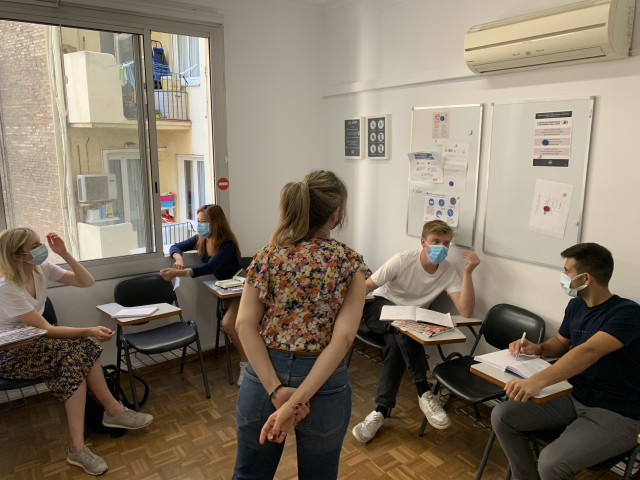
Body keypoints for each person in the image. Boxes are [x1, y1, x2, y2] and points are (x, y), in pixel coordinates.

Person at [232, 170, 368, 480]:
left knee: (249, 475)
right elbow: (344, 338)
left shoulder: (266, 256)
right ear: (335, 213)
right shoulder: (349, 262)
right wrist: (297, 400)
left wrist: (278, 392)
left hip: (264, 375)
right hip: (323, 381)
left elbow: (244, 326)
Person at [0, 228, 153, 476]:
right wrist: (89, 330)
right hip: (11, 354)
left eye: (41, 243)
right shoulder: (6, 286)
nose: (42, 248)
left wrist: (65, 253)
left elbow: (86, 281)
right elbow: (47, 329)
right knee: (83, 348)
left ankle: (80, 446)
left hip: (39, 346)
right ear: (17, 256)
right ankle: (110, 414)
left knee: (76, 358)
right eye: (35, 245)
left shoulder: (42, 269)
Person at [491, 243, 640, 480]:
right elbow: (561, 343)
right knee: (502, 415)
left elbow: (588, 352)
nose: (563, 277)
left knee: (551, 463)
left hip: (616, 411)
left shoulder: (628, 313)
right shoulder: (576, 305)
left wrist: (535, 382)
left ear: (586, 278)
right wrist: (537, 348)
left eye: (567, 271)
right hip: (575, 395)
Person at [352, 219, 480, 443]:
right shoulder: (402, 260)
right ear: (423, 242)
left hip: (407, 323)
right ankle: (423, 391)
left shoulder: (448, 272)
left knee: (396, 339)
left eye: (446, 243)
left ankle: (380, 411)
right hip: (380, 307)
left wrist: (469, 272)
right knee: (403, 324)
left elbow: (466, 310)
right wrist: (342, 312)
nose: (441, 247)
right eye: (435, 241)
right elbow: (368, 286)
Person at [160, 204, 247, 384]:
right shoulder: (201, 239)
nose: (200, 225)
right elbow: (176, 246)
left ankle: (246, 365)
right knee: (233, 324)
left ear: (216, 223)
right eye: (198, 221)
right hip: (225, 288)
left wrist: (178, 273)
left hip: (241, 285)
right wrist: (178, 258)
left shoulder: (227, 244)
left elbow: (210, 267)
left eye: (204, 222)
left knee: (229, 324)